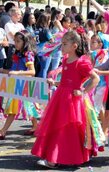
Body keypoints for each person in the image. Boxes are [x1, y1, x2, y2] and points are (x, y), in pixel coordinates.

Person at [31, 31, 100, 168]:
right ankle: (55, 156)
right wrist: (54, 83)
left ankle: (54, 159)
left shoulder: (81, 63)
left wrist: (83, 92)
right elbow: (65, 81)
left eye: (64, 44)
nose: (61, 47)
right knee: (58, 127)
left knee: (66, 129)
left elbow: (95, 79)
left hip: (72, 100)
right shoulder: (66, 60)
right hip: (61, 97)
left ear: (74, 46)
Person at [0, 31, 39, 139]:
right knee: (29, 107)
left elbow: (32, 72)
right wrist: (2, 70)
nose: (15, 43)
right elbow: (13, 70)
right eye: (15, 41)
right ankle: (35, 126)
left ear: (25, 42)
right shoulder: (17, 54)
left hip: (23, 85)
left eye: (18, 41)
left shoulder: (28, 55)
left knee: (13, 108)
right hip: (17, 84)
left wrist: (18, 73)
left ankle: (3, 131)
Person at [35, 13, 53, 78]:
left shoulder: (36, 29)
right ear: (46, 20)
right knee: (44, 70)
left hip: (37, 52)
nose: (50, 21)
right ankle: (42, 85)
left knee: (38, 70)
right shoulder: (46, 30)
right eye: (49, 19)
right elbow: (52, 40)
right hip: (45, 53)